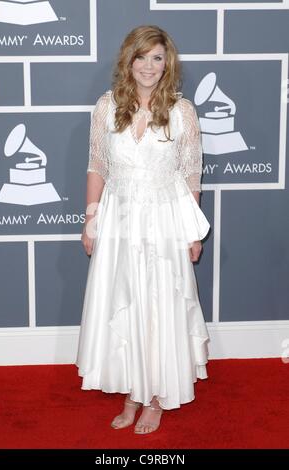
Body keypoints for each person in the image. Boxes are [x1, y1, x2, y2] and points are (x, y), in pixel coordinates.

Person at [76, 25, 210, 435]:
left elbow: (191, 175)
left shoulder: (182, 111)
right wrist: (91, 218)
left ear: (167, 63)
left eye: (157, 58)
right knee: (126, 302)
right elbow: (98, 164)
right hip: (118, 218)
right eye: (141, 57)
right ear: (128, 60)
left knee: (159, 304)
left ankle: (156, 398)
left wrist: (192, 232)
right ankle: (134, 390)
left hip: (164, 219)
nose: (149, 66)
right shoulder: (106, 106)